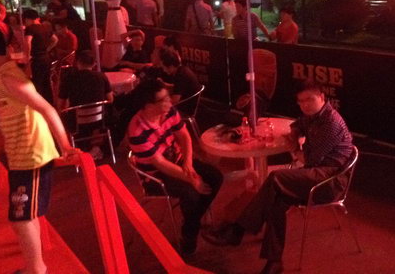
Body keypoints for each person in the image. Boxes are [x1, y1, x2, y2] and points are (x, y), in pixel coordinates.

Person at [203, 81, 354, 274]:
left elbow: (309, 160)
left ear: (322, 98)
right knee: (276, 199)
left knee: (275, 178)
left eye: (310, 99)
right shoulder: (314, 116)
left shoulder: (330, 123)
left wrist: (294, 148)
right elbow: (297, 125)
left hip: (330, 181)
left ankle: (237, 230)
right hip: (315, 174)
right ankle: (274, 262)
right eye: (301, 101)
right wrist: (296, 135)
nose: (305, 105)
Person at [0, 26, 79, 274]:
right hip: (20, 155)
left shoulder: (8, 77)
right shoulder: (2, 74)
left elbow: (46, 108)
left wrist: (65, 146)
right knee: (24, 215)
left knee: (21, 217)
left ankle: (36, 269)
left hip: (32, 155)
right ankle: (35, 267)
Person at [127, 79, 223, 256]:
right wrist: (192, 179)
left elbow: (184, 136)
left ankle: (191, 223)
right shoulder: (137, 130)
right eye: (163, 99)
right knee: (191, 193)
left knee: (215, 176)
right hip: (155, 175)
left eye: (168, 97)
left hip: (178, 160)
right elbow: (160, 164)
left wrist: (188, 163)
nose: (169, 102)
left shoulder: (169, 111)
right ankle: (190, 234)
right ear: (148, 105)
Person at [58, 50, 113, 161]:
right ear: (94, 63)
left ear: (77, 62)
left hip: (76, 122)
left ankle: (74, 148)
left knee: (61, 116)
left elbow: (60, 104)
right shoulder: (101, 76)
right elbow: (110, 100)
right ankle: (96, 146)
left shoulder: (69, 78)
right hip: (99, 120)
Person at [23, 9, 58, 103]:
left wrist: (27, 56)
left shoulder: (30, 28)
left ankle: (37, 104)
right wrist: (47, 49)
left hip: (36, 59)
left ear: (27, 19)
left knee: (36, 84)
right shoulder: (45, 27)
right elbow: (55, 39)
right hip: (46, 58)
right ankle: (50, 103)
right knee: (46, 83)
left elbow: (28, 41)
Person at [159, 49, 203, 116]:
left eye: (164, 67)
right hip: (190, 103)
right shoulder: (183, 70)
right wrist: (164, 85)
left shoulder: (180, 76)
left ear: (171, 66)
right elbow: (179, 88)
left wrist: (159, 102)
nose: (164, 70)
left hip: (186, 108)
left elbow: (175, 100)